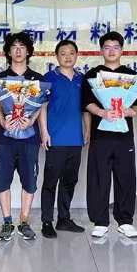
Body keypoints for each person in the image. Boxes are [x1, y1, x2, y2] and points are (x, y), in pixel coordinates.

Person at [82, 31, 137, 239]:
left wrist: (131, 111)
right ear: (101, 50)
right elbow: (86, 102)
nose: (111, 51)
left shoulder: (131, 76)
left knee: (125, 178)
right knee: (98, 178)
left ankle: (125, 221)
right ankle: (100, 221)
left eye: (115, 47)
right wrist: (102, 113)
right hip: (100, 135)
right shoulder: (93, 75)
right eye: (107, 47)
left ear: (122, 50)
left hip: (124, 136)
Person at [0, 32, 43, 241]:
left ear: (28, 51)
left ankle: (24, 220)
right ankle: (7, 222)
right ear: (8, 52)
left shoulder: (37, 79)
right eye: (14, 46)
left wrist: (31, 121)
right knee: (3, 179)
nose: (18, 50)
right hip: (5, 137)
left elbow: (40, 106)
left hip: (29, 137)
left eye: (22, 46)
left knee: (29, 179)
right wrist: (3, 123)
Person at [38, 40, 89, 238]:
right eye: (63, 53)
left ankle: (64, 219)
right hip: (55, 139)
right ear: (56, 56)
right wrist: (44, 132)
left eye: (71, 53)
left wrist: (87, 130)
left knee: (69, 181)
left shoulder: (82, 79)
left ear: (77, 55)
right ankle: (46, 221)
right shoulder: (49, 78)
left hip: (75, 139)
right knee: (51, 182)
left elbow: (85, 109)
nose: (68, 57)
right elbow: (42, 107)